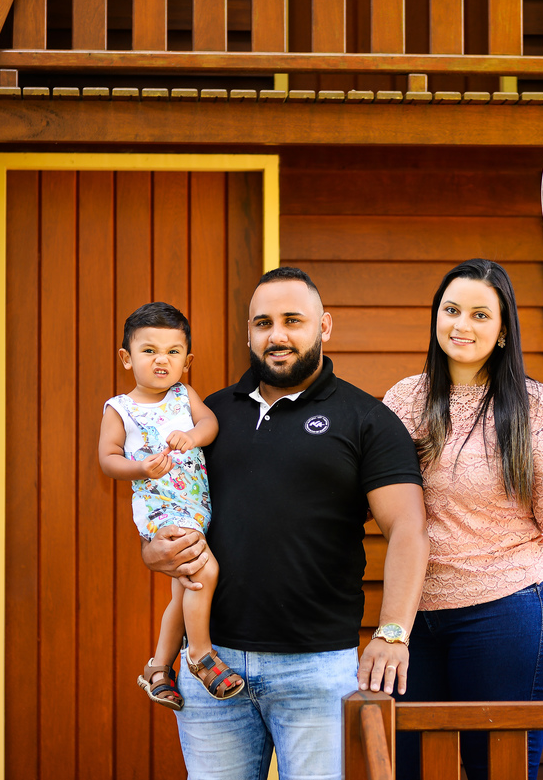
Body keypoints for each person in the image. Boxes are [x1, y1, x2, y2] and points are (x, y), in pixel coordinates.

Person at [140, 267, 429, 780]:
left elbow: (407, 527)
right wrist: (153, 551)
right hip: (211, 664)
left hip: (317, 668)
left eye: (293, 320)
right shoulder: (208, 415)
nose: (277, 335)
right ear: (248, 332)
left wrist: (393, 631)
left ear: (325, 326)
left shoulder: (367, 418)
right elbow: (166, 501)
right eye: (262, 323)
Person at [382, 259, 543, 780]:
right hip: (416, 617)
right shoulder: (404, 399)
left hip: (508, 614)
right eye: (451, 310)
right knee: (411, 769)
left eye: (479, 315)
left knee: (499, 770)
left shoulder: (534, 406)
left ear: (504, 329)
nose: (461, 325)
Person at [99, 302, 244, 711]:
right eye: (149, 351)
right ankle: (200, 655)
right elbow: (107, 458)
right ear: (127, 358)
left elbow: (210, 424)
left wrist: (192, 436)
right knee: (204, 571)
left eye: (173, 352)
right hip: (161, 507)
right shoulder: (121, 408)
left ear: (187, 361)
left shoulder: (184, 395)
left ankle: (158, 669)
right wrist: (140, 466)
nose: (161, 360)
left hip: (195, 506)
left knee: (181, 594)